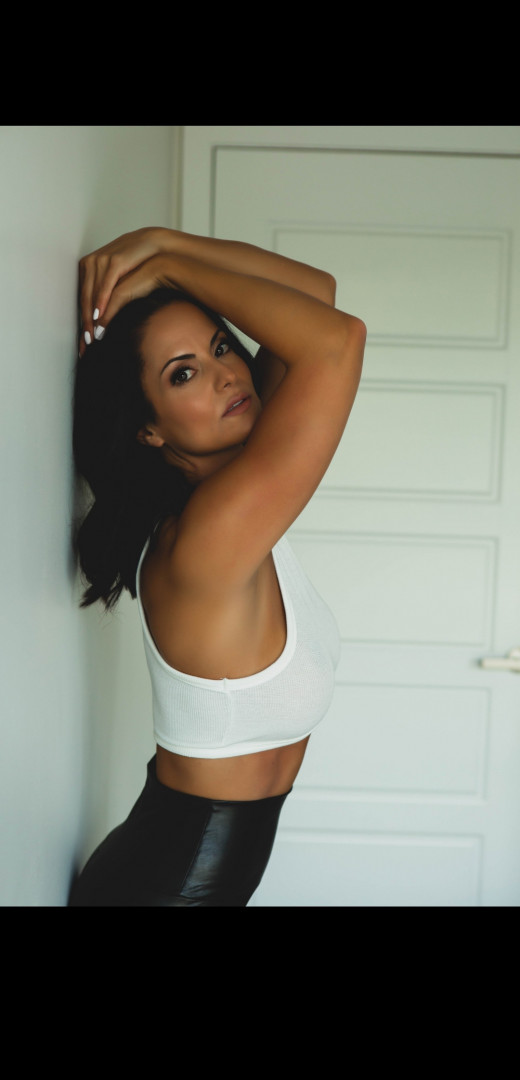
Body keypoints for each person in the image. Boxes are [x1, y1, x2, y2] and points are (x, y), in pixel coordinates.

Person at [68, 226, 366, 906]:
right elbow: (336, 339)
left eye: (221, 346)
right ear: (149, 428)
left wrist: (160, 244)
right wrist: (169, 264)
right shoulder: (209, 536)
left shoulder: (229, 497)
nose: (227, 373)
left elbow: (315, 294)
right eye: (184, 373)